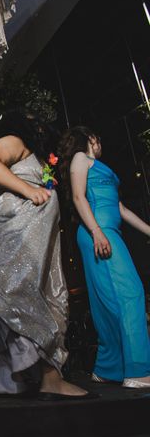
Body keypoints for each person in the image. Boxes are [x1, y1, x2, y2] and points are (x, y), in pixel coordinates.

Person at [0, 110, 92, 400]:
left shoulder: (43, 160)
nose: (39, 125)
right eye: (32, 120)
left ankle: (10, 378)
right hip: (17, 232)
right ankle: (49, 380)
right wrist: (29, 189)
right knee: (19, 295)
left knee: (34, 297)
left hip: (39, 238)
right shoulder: (13, 141)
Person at [59, 126, 150, 388]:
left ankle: (108, 369)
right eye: (98, 139)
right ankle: (138, 371)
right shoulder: (80, 158)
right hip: (97, 231)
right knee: (131, 293)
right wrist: (97, 232)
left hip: (109, 230)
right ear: (91, 138)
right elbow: (78, 197)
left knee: (107, 302)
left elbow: (121, 208)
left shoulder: (100, 166)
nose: (101, 145)